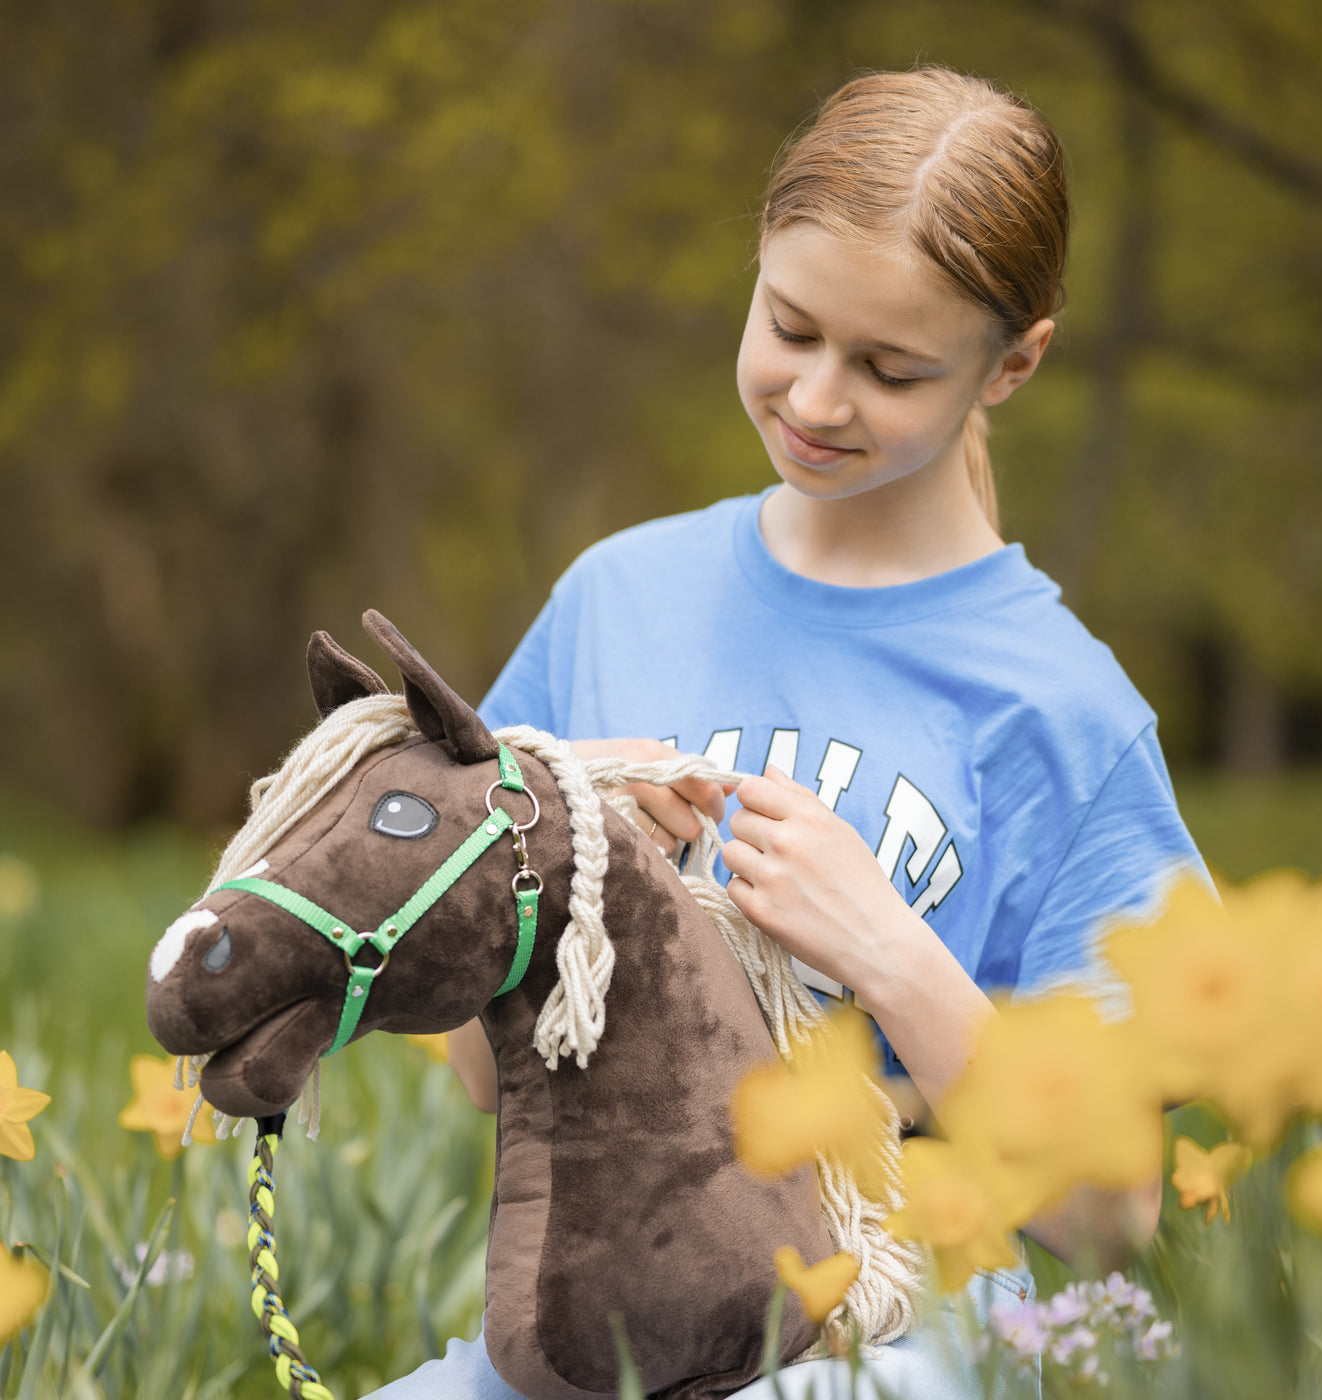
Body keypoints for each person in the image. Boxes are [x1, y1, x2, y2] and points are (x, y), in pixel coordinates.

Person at [373, 65, 1208, 1400]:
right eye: (791, 328)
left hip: (902, 1349)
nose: (818, 401)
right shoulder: (614, 600)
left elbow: (1110, 1212)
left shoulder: (1067, 715)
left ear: (1016, 364)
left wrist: (885, 945)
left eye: (890, 368)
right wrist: (561, 868)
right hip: (603, 1330)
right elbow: (486, 1079)